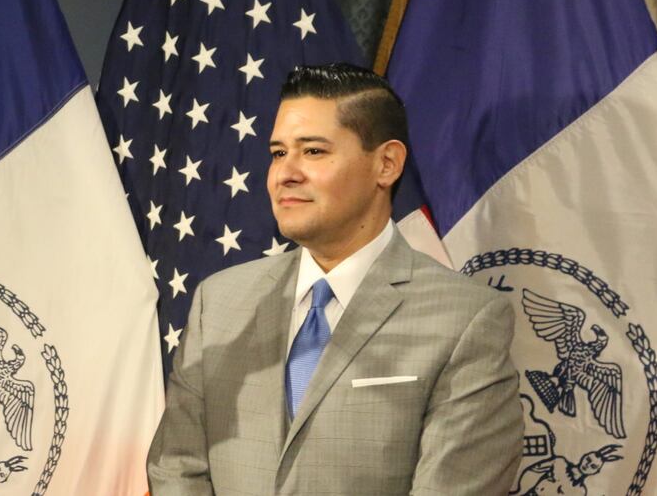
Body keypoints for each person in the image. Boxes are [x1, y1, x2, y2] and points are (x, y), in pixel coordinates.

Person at [147, 63, 522, 494]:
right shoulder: (219, 302)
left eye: (313, 151)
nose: (285, 173)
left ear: (386, 164)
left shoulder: (466, 319)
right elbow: (176, 468)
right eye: (278, 153)